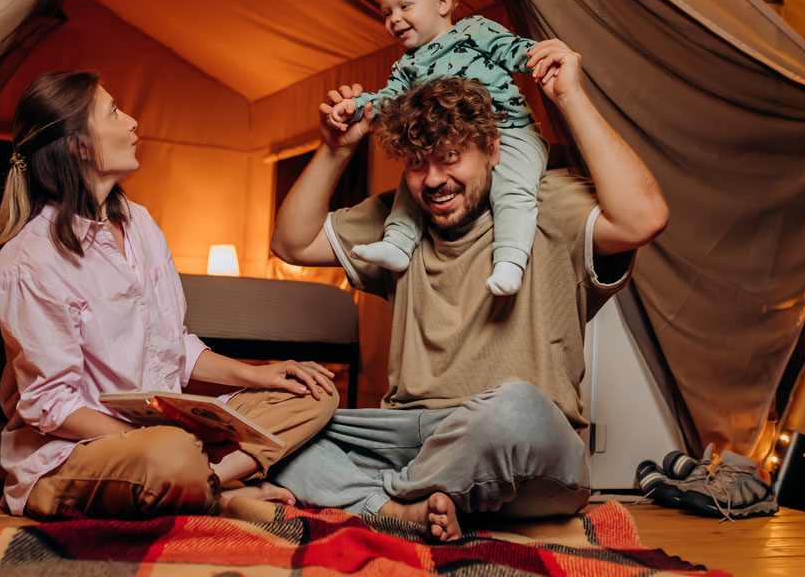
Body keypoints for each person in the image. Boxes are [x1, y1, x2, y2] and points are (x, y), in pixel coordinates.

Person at [269, 42, 668, 540]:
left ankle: (382, 500)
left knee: (515, 409)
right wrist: (336, 150)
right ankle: (412, 506)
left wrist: (570, 97)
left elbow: (646, 216)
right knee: (275, 424)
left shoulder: (548, 203)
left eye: (450, 158)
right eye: (416, 163)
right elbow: (291, 242)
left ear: (494, 149)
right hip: (408, 434)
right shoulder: (399, 220)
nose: (433, 180)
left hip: (521, 442)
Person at [0, 70, 339, 519]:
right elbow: (53, 405)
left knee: (314, 393)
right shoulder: (28, 262)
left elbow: (173, 347)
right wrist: (159, 438)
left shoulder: (142, 224)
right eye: (114, 111)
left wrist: (262, 375)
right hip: (82, 448)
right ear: (79, 145)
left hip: (172, 430)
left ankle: (204, 482)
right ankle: (219, 491)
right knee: (170, 455)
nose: (132, 122)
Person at [325, 0, 545, 296]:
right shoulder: (406, 67)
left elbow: (513, 50)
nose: (394, 19)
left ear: (443, 3)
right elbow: (388, 99)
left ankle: (510, 260)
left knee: (513, 188)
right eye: (387, 12)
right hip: (447, 147)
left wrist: (542, 58)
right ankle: (397, 244)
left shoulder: (474, 31)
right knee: (413, 186)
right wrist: (354, 107)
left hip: (509, 130)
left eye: (404, 7)